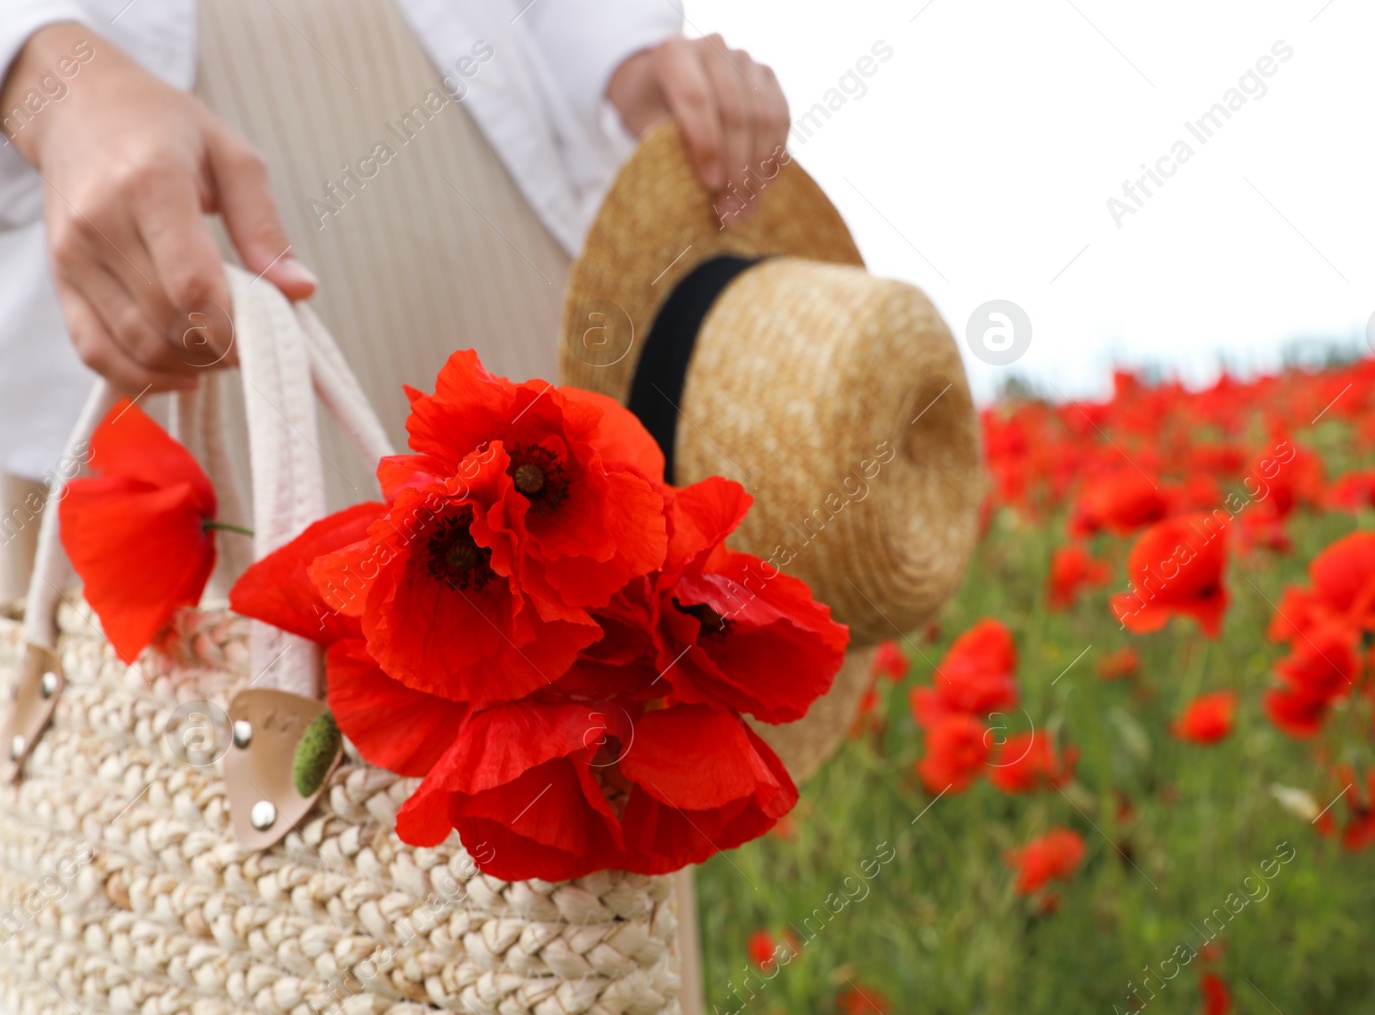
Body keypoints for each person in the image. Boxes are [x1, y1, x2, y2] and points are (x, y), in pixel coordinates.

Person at [0, 0, 792, 597]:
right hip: (153, 210)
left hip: (504, 231)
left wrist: (626, 60)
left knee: (562, 669)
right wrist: (50, 77)